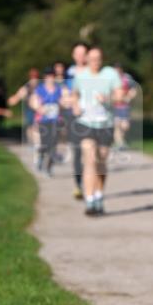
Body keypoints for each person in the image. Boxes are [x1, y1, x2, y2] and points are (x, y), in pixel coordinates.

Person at [71, 46, 123, 216]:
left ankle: (99, 195)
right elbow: (74, 94)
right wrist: (75, 105)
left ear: (102, 59)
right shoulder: (81, 75)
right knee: (90, 160)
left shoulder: (110, 74)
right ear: (86, 59)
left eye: (98, 59)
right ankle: (90, 200)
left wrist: (108, 98)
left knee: (101, 162)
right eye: (92, 59)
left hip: (105, 124)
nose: (95, 62)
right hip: (85, 123)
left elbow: (120, 95)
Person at [64, 42, 89, 198]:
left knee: (91, 151)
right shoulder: (69, 73)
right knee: (77, 151)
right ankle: (79, 184)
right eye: (77, 53)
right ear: (73, 56)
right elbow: (65, 93)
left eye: (83, 53)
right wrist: (73, 103)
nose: (80, 56)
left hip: (92, 115)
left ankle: (91, 186)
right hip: (73, 116)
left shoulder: (94, 71)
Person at [30, 66, 63, 174]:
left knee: (53, 144)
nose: (50, 78)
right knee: (45, 144)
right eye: (48, 76)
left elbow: (63, 101)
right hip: (43, 120)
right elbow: (32, 102)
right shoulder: (39, 89)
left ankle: (49, 167)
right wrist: (39, 108)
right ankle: (41, 158)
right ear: (45, 77)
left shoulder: (58, 89)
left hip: (55, 120)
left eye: (52, 76)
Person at [112, 64, 138, 150]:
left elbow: (134, 89)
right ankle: (119, 143)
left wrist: (129, 97)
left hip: (125, 106)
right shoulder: (110, 79)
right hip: (114, 105)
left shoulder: (127, 78)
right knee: (116, 125)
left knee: (125, 126)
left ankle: (121, 141)